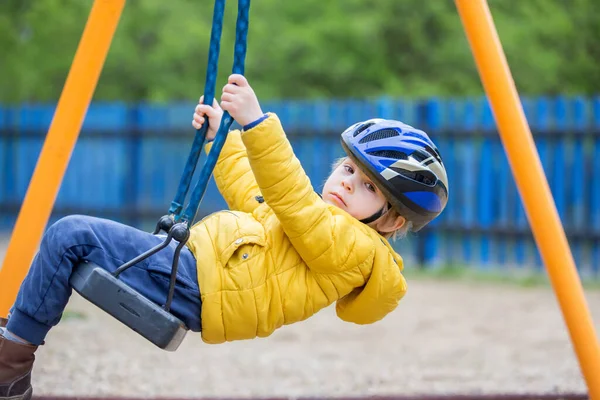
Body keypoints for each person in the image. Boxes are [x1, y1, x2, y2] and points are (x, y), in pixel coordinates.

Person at [0, 74, 449, 400]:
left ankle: (9, 367)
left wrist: (257, 123)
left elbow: (290, 197)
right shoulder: (310, 223)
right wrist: (223, 138)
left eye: (370, 186)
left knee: (70, 235)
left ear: (391, 223)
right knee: (73, 241)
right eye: (349, 169)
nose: (348, 182)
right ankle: (13, 360)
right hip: (194, 270)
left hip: (200, 286)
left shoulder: (357, 251)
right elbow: (252, 192)